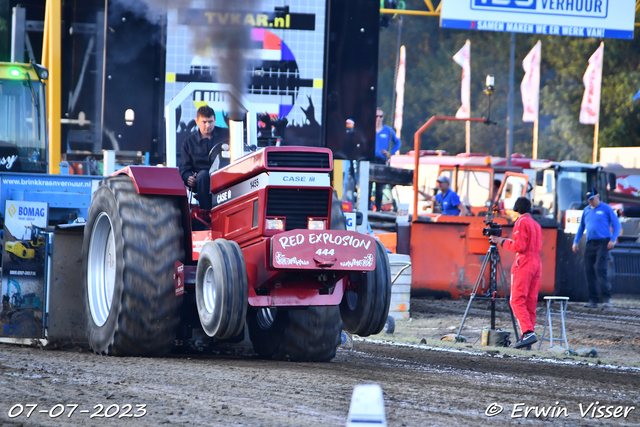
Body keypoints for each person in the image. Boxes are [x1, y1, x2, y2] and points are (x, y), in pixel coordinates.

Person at [489, 197, 542, 349]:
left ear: (516, 209)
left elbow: (520, 246)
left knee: (517, 300)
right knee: (530, 302)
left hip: (524, 262)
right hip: (536, 263)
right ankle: (527, 339)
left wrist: (501, 241)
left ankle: (527, 333)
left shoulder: (521, 222)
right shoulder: (536, 225)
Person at [572, 188, 621, 309]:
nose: (590, 202)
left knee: (600, 268)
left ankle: (606, 297)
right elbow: (581, 227)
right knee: (588, 270)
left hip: (603, 242)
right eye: (589, 200)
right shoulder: (586, 210)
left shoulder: (606, 208)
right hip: (590, 242)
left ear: (598, 196)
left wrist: (612, 239)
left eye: (592, 199)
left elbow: (617, 225)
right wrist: (575, 241)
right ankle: (593, 299)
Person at [179, 106, 229, 210]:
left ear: (215, 120)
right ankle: (207, 212)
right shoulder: (189, 142)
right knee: (203, 176)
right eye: (204, 122)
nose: (208, 125)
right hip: (202, 181)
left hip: (225, 175)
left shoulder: (227, 135)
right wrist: (188, 178)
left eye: (210, 121)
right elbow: (184, 168)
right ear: (197, 121)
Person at [370, 108, 401, 211]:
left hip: (381, 160)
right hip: (369, 160)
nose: (378, 119)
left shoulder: (388, 131)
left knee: (380, 187)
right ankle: (367, 209)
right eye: (376, 116)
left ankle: (378, 209)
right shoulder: (368, 129)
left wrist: (390, 153)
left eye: (380, 116)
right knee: (368, 187)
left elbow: (397, 142)